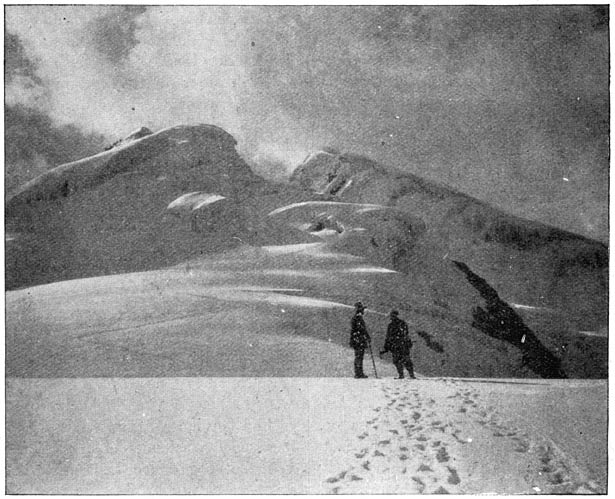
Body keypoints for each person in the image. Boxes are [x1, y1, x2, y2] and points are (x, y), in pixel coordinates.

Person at [380, 310, 415, 379]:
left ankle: (402, 375)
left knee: (398, 360)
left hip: (396, 346)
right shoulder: (402, 323)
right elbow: (406, 334)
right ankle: (411, 374)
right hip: (402, 345)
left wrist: (386, 347)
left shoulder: (391, 325)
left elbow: (388, 337)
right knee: (406, 360)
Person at [349, 301, 371, 378]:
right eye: (362, 309)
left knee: (359, 356)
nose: (363, 311)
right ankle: (359, 373)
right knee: (359, 356)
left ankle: (358, 372)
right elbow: (362, 329)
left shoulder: (357, 317)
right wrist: (367, 337)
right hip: (359, 340)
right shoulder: (358, 318)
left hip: (357, 340)